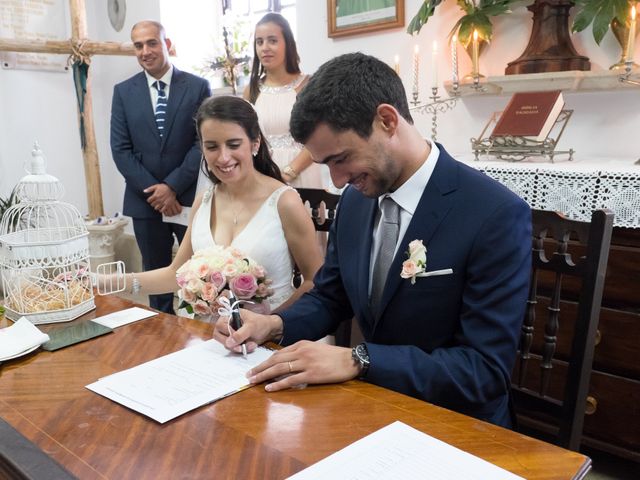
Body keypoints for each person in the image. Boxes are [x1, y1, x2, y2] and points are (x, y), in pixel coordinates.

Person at [215, 53, 532, 428]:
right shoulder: (356, 201)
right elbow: (332, 296)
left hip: (458, 424)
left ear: (387, 120)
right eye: (325, 165)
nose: (335, 181)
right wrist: (274, 325)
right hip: (372, 407)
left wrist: (359, 359)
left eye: (341, 158)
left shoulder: (493, 213)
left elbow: (482, 371)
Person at [110, 95, 322, 316]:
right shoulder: (203, 201)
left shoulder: (285, 202)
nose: (223, 158)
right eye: (212, 146)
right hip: (209, 334)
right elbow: (175, 273)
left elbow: (313, 282)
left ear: (255, 142)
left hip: (274, 338)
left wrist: (270, 324)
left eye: (233, 144)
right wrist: (107, 282)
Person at [110, 20, 211, 314]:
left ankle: (202, 335)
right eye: (138, 45)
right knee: (154, 280)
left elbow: (201, 142)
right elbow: (120, 149)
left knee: (200, 276)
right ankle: (162, 341)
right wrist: (155, 192)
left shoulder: (197, 86)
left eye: (152, 43)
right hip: (145, 203)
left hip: (187, 197)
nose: (145, 51)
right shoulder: (123, 92)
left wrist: (172, 187)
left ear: (167, 44)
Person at [244, 13, 327, 189]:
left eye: (272, 40)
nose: (264, 48)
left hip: (303, 173)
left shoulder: (309, 85)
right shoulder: (251, 90)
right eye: (259, 42)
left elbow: (319, 136)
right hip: (263, 177)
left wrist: (289, 172)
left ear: (288, 44)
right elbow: (247, 138)